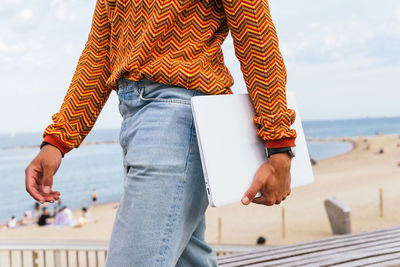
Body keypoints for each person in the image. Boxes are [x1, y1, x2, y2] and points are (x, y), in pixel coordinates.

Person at [25, 0, 296, 265]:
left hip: (176, 116)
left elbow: (255, 34)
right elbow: (100, 51)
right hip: (138, 118)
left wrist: (279, 146)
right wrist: (58, 140)